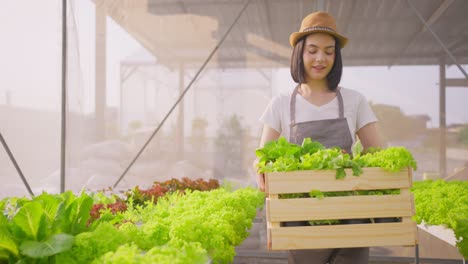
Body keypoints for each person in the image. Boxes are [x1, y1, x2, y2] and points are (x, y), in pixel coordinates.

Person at [254, 11, 381, 264]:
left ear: (336, 56)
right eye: (312, 50)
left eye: (329, 51)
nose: (320, 58)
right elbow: (262, 157)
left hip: (351, 220)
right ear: (300, 53)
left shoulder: (355, 100)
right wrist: (261, 171)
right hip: (301, 221)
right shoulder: (280, 103)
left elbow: (377, 153)